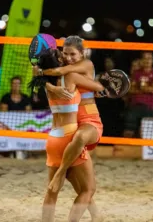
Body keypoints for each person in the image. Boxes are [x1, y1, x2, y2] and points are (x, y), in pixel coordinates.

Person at [30, 48, 104, 222]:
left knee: (52, 191)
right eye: (61, 55)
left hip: (53, 139)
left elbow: (40, 78)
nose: (65, 56)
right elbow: (99, 87)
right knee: (88, 189)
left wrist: (41, 75)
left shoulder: (46, 83)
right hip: (69, 138)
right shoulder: (70, 77)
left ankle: (96, 216)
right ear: (59, 64)